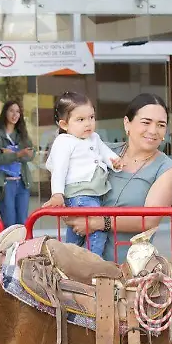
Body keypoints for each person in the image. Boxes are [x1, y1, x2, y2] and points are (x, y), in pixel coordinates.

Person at [60, 93, 172, 344]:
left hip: (131, 268)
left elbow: (150, 218)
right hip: (86, 265)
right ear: (127, 124)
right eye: (146, 121)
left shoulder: (167, 167)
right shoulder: (97, 154)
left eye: (161, 124)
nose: (154, 130)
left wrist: (99, 222)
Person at [43, 92, 121, 254]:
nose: (88, 123)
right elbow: (59, 169)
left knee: (77, 234)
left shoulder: (94, 137)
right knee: (96, 228)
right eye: (81, 120)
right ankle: (93, 263)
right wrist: (57, 193)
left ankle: (68, 263)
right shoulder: (64, 142)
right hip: (80, 196)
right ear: (64, 125)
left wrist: (115, 161)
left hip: (95, 195)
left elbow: (105, 153)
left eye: (91, 117)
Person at [0, 100, 33, 227]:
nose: (15, 114)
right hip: (6, 183)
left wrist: (11, 152)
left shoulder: (21, 133)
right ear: (5, 112)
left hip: (22, 183)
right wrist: (18, 153)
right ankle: (10, 247)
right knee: (9, 223)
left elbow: (30, 155)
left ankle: (23, 247)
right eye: (11, 110)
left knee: (23, 222)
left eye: (18, 111)